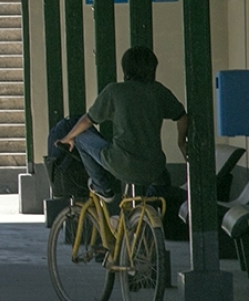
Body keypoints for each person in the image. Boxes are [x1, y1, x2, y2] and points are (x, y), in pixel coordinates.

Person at [57, 46, 188, 202]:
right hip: (154, 168)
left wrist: (68, 138)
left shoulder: (115, 91)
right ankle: (153, 206)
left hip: (122, 165)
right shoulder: (159, 91)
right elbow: (182, 116)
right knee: (161, 180)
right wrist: (181, 142)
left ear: (126, 68)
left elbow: (88, 120)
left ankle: (101, 187)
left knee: (80, 136)